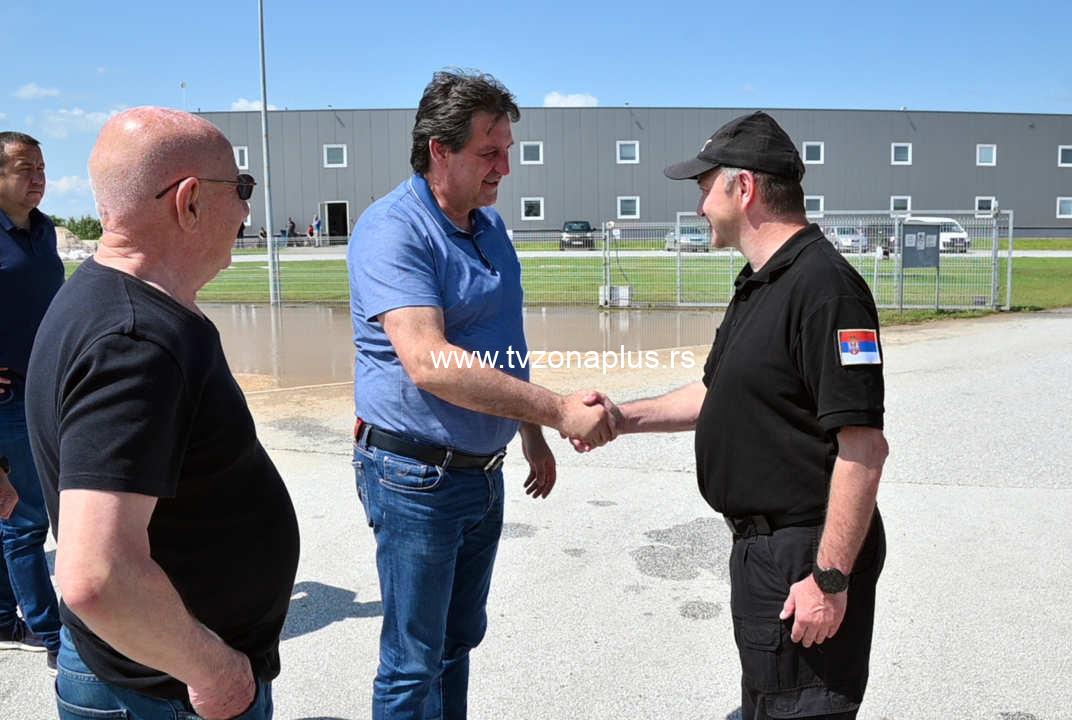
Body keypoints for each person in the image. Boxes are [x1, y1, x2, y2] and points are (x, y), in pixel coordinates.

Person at [587, 112, 889, 720]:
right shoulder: (761, 282)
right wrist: (620, 417)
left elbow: (863, 449)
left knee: (800, 708)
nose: (699, 205)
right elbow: (714, 394)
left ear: (743, 187)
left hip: (805, 556)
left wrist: (829, 580)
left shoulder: (826, 290)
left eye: (705, 187)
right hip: (765, 554)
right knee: (767, 703)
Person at [347, 69, 616, 720]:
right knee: (412, 662)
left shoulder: (488, 227)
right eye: (489, 152)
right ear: (439, 150)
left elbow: (503, 340)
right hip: (415, 478)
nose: (505, 168)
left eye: (507, 151)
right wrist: (557, 411)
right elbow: (430, 362)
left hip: (480, 473)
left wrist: (530, 436)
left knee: (456, 642)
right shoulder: (394, 229)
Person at [25, 107, 299, 720]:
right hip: (165, 691)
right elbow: (97, 575)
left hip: (146, 677)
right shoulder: (135, 341)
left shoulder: (103, 297)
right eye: (242, 188)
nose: (247, 211)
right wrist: (214, 671)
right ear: (190, 201)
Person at [0, 130, 63, 671]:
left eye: (41, 167)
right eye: (24, 168)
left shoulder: (44, 231)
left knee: (9, 514)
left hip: (47, 387)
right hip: (8, 399)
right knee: (25, 521)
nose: (38, 177)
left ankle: (3, 617)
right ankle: (53, 636)